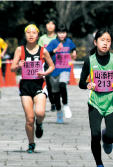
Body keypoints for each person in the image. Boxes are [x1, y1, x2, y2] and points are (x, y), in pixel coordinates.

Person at [79, 28, 113, 167]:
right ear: (95, 42)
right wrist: (87, 85)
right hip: (95, 102)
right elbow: (81, 82)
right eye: (102, 40)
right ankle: (99, 165)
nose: (105, 43)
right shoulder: (89, 60)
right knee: (94, 134)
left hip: (112, 102)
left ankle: (107, 137)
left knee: (110, 137)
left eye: (108, 41)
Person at [10, 24, 55, 153]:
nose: (31, 35)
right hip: (25, 85)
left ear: (37, 35)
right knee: (29, 118)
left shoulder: (43, 51)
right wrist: (18, 65)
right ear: (25, 35)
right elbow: (12, 68)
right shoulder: (20, 50)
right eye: (28, 32)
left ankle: (39, 124)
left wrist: (45, 73)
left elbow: (51, 66)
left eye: (34, 33)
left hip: (39, 84)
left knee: (39, 113)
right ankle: (31, 143)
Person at [46, 23, 76, 123]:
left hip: (65, 69)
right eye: (60, 33)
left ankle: (66, 105)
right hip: (54, 71)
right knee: (55, 93)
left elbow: (73, 47)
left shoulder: (68, 41)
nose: (62, 35)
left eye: (64, 33)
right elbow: (45, 54)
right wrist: (56, 49)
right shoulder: (53, 42)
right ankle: (59, 112)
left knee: (63, 84)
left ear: (66, 33)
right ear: (56, 33)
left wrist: (74, 52)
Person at [38, 19, 57, 112]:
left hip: (58, 63)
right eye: (48, 23)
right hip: (47, 64)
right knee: (49, 83)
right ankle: (52, 103)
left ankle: (58, 100)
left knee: (58, 84)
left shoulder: (58, 38)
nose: (50, 25)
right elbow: (39, 52)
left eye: (52, 24)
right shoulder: (42, 39)